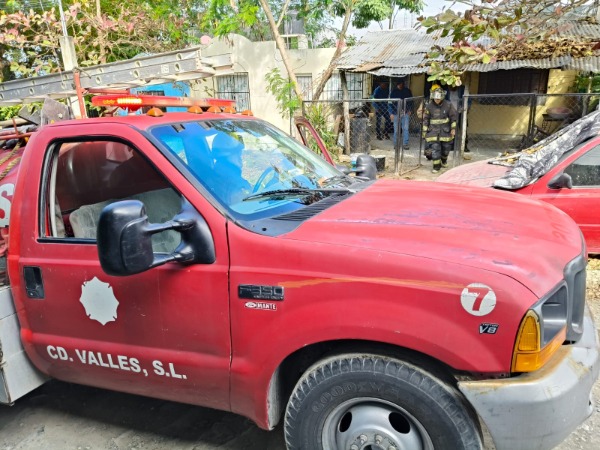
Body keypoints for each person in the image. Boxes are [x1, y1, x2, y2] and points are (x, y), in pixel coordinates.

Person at [422, 84, 458, 173]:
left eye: (438, 98)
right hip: (433, 132)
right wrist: (424, 131)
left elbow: (453, 118)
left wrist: (453, 129)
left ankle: (444, 160)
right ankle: (436, 167)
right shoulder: (429, 106)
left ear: (442, 97)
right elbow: (426, 119)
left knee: (446, 149)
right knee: (435, 150)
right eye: (435, 98)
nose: (437, 100)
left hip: (445, 132)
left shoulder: (448, 105)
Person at [211, 132, 252, 204]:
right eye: (238, 153)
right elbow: (251, 205)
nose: (240, 158)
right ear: (226, 156)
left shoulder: (217, 174)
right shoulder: (237, 186)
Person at [389, 79, 413, 150]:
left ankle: (405, 144)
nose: (400, 86)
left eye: (402, 84)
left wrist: (410, 110)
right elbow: (390, 103)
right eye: (399, 84)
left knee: (405, 129)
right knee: (396, 130)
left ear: (403, 84)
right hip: (396, 113)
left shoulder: (407, 91)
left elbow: (411, 101)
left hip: (405, 113)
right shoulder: (393, 92)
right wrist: (391, 113)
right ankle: (396, 144)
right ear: (397, 85)